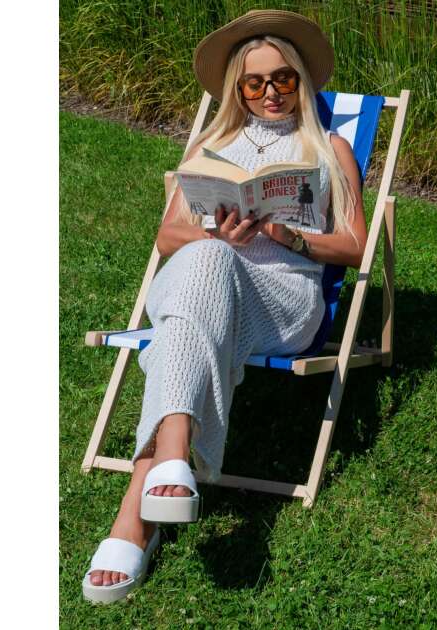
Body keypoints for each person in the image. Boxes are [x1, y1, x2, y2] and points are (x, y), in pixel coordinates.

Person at [82, 10, 368, 604]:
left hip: (284, 299)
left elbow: (354, 246)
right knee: (208, 266)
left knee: (187, 315)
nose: (270, 93)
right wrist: (218, 235)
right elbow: (168, 238)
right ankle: (168, 465)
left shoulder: (330, 147)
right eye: (254, 83)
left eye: (283, 79)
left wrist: (289, 237)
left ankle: (144, 496)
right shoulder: (211, 148)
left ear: (300, 80)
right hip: (207, 284)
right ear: (237, 89)